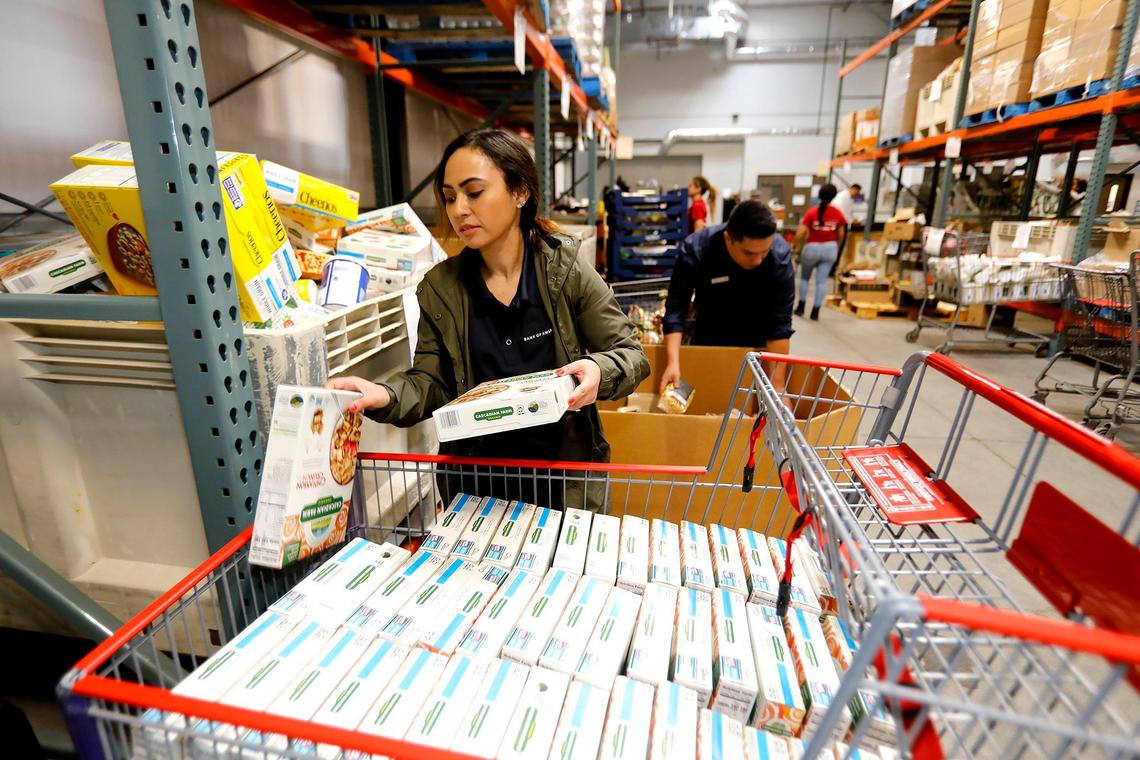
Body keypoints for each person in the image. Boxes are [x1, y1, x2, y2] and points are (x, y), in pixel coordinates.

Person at [329, 128, 649, 510]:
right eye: (450, 197)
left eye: (474, 192)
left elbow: (630, 353)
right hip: (477, 487)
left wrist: (598, 370)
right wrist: (386, 393)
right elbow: (432, 382)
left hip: (563, 483)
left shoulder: (564, 271)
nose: (458, 209)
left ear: (520, 192)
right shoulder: (441, 289)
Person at [659, 200, 795, 393]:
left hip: (757, 343)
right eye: (749, 253)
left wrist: (778, 387)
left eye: (765, 252)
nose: (758, 261)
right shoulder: (697, 250)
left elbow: (780, 327)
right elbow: (675, 311)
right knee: (708, 399)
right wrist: (673, 363)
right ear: (728, 238)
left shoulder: (779, 258)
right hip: (708, 335)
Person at [793, 183, 847, 321]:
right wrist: (836, 246)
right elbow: (841, 234)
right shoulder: (838, 213)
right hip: (830, 249)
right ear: (834, 196)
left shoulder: (812, 212)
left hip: (812, 248)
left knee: (805, 278)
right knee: (821, 282)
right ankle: (815, 311)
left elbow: (801, 233)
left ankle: (801, 307)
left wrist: (796, 247)